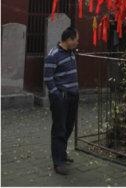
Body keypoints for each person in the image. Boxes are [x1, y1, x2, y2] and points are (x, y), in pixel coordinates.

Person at [43, 26, 80, 175]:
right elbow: (48, 78)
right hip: (61, 98)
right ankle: (58, 163)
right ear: (69, 40)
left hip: (73, 96)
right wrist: (56, 95)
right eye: (76, 40)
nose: (78, 42)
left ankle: (62, 154)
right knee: (59, 128)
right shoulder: (53, 55)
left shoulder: (71, 53)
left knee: (69, 126)